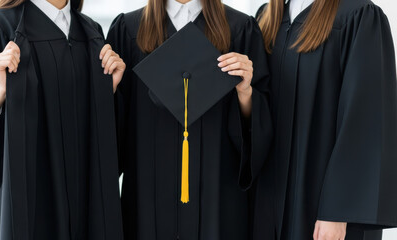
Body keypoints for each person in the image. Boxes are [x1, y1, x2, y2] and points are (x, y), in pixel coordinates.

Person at [0, 0, 125, 239]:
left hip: (86, 202)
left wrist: (108, 93)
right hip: (28, 202)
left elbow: (109, 143)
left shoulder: (92, 34)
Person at [106, 0, 272, 239]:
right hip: (147, 201)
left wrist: (245, 92)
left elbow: (258, 138)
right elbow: (112, 133)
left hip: (218, 203)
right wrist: (108, 92)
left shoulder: (240, 29)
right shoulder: (129, 29)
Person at [253, 0, 397, 239]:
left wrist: (338, 210)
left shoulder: (358, 15)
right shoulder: (267, 18)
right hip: (270, 202)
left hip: (324, 208)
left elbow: (364, 121)